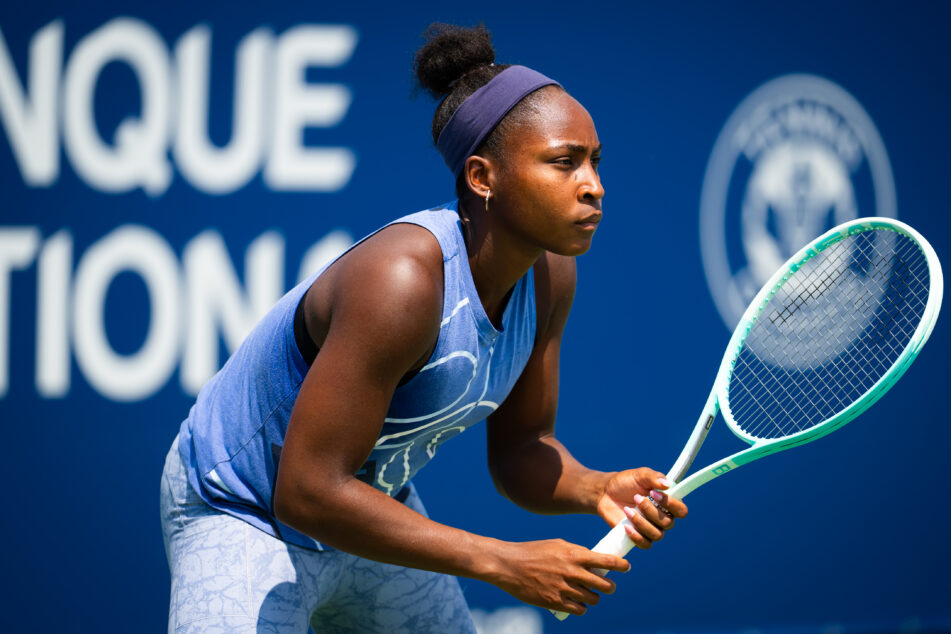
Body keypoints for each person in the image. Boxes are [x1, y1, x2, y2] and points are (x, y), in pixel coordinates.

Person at [160, 22, 687, 633]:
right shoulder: (401, 282)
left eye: (594, 162)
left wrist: (597, 488)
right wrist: (502, 561)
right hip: (242, 508)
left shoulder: (551, 276)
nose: (593, 186)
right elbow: (305, 490)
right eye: (564, 163)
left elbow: (520, 451)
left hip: (368, 511)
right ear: (482, 178)